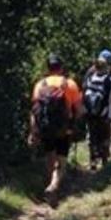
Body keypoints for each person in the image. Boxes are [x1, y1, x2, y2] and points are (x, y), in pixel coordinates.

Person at [29, 54, 84, 208]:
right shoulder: (70, 84)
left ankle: (50, 186)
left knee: (50, 157)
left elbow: (34, 111)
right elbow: (79, 110)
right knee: (62, 161)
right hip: (63, 129)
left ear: (48, 68)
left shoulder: (40, 84)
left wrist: (33, 132)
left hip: (45, 128)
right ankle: (53, 186)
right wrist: (75, 125)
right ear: (61, 67)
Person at [81, 52, 111, 171]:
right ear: (106, 66)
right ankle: (104, 159)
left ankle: (93, 160)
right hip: (106, 113)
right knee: (105, 135)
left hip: (90, 114)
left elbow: (83, 95)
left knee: (92, 136)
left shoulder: (89, 79)